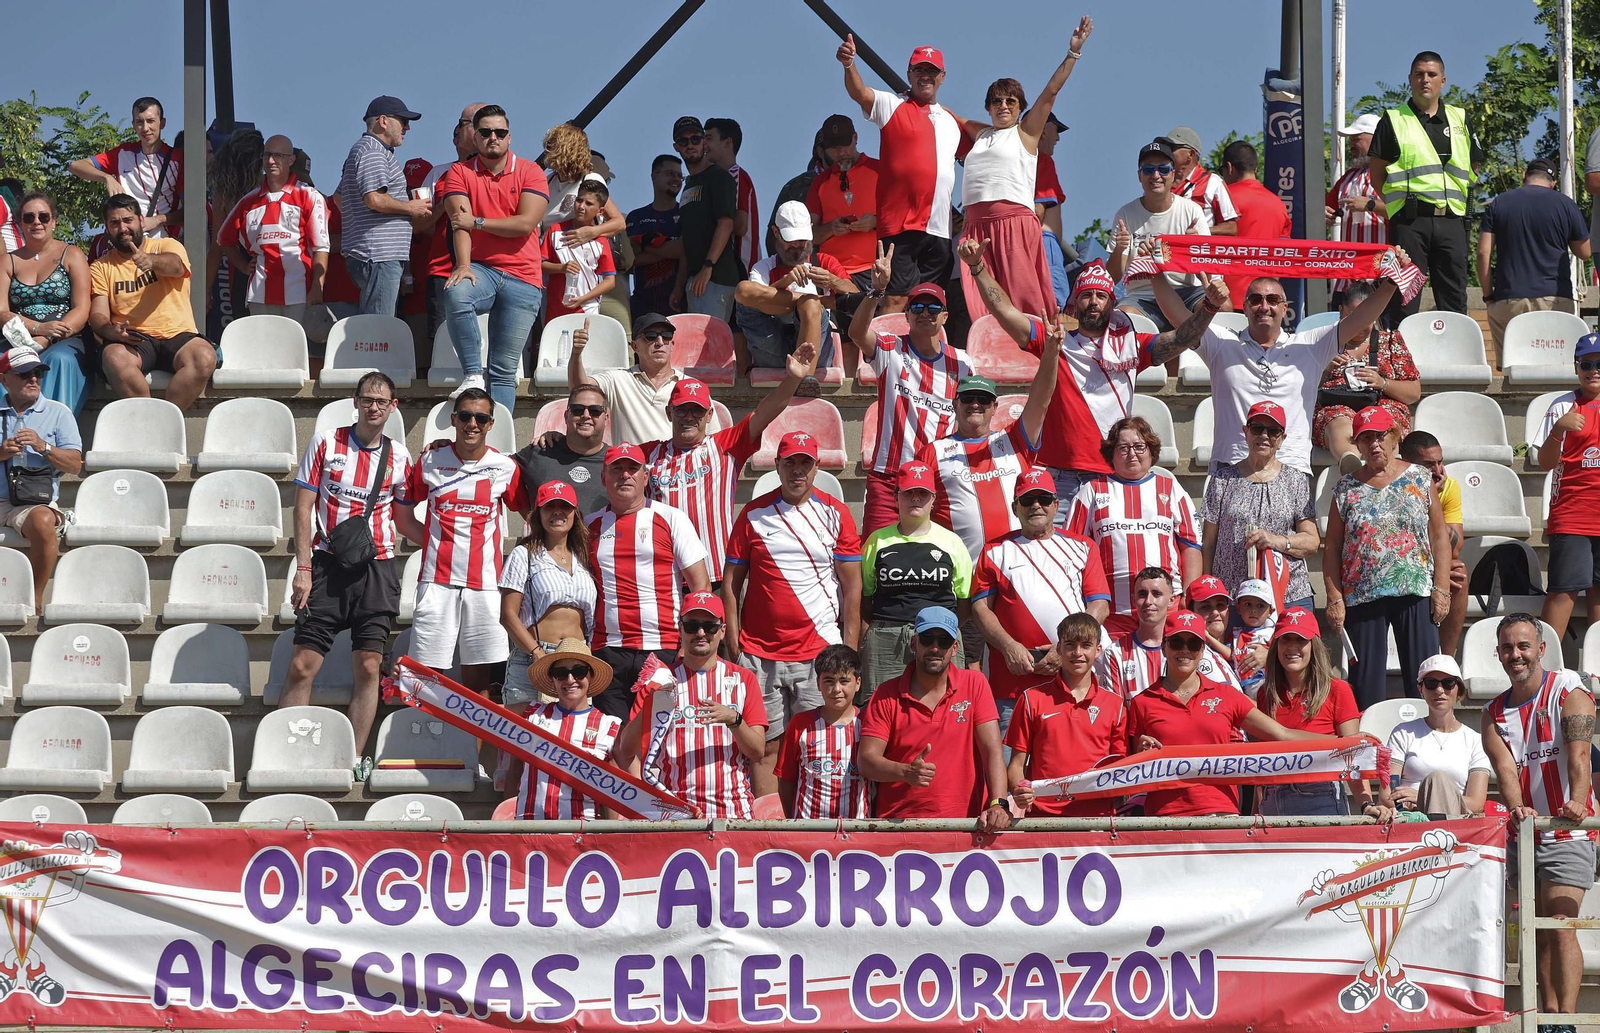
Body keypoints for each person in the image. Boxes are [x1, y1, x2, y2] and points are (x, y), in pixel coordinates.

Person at [1150, 248, 1411, 476]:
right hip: (1231, 467)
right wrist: (1155, 271)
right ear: (1244, 306)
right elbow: (1179, 320)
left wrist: (1390, 283)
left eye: (1273, 299)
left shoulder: (1309, 344)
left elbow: (1361, 318)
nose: (1264, 306)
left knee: (1293, 537)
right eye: (1256, 299)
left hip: (1290, 468)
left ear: (1285, 308)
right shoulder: (1220, 342)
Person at [286, 373, 416, 773]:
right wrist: (303, 569)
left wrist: (445, 540)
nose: (373, 407)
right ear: (355, 402)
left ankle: (353, 757)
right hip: (326, 564)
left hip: (378, 567)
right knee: (303, 663)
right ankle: (285, 748)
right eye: (366, 399)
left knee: (369, 665)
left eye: (381, 401)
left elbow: (404, 519)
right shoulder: (326, 441)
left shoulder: (401, 457)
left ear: (393, 406)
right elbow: (302, 507)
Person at [725, 430, 863, 795]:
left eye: (805, 462)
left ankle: (812, 827)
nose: (798, 470)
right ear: (778, 465)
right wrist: (733, 642)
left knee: (818, 744)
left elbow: (853, 589)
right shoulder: (753, 514)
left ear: (817, 466)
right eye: (790, 462)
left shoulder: (837, 513)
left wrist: (847, 651)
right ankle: (770, 831)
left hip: (818, 653)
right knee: (765, 747)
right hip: (758, 653)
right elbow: (730, 582)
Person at [1481, 612, 1596, 1029]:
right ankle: (1547, 1018)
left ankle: (1567, 1018)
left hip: (1568, 828)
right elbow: (1507, 772)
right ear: (1498, 654)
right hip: (1525, 832)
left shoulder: (1569, 689)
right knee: (1537, 931)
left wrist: (1579, 801)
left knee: (1561, 925)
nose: (1516, 654)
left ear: (1541, 649)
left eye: (1524, 645)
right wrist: (1516, 808)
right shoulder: (1493, 714)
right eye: (1508, 647)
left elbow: (1580, 755)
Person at [1027, 259, 1218, 505]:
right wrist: (978, 269)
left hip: (1111, 474)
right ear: (1075, 302)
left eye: (1101, 295)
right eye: (1086, 295)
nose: (1094, 301)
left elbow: (1182, 339)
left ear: (1112, 303)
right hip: (1059, 478)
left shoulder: (1132, 345)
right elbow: (1006, 316)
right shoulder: (1055, 341)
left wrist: (1210, 307)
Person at [954, 17, 1092, 319]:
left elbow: (1050, 93)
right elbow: (946, 114)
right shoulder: (980, 133)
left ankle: (1039, 358)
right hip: (974, 228)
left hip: (1014, 223)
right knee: (983, 308)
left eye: (1010, 101)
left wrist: (1073, 54)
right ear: (988, 107)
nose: (1003, 106)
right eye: (996, 101)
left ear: (1019, 107)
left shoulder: (1026, 132)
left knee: (1025, 302)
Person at [643, 350, 818, 586]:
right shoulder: (646, 455)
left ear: (709, 415)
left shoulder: (726, 445)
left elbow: (766, 410)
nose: (689, 417)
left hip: (717, 575)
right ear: (669, 413)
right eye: (681, 409)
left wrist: (793, 379)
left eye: (697, 410)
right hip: (665, 578)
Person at [1127, 609, 1319, 816]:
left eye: (1193, 644)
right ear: (1164, 647)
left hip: (1219, 813)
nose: (1185, 650)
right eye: (1176, 643)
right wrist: (1140, 754)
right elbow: (1128, 768)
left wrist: (1342, 743)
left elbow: (1281, 734)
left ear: (1202, 650)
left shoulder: (1226, 695)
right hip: (1164, 815)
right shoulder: (1142, 702)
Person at [918, 276, 1058, 559]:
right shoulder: (933, 452)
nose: (975, 405)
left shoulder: (1014, 439)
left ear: (995, 407)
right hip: (961, 572)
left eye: (983, 400)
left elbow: (1041, 400)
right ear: (955, 404)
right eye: (968, 399)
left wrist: (1051, 352)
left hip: (1015, 567)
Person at [1323, 406, 1451, 709]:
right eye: (1366, 438)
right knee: (1365, 685)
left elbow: (1439, 537)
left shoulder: (1420, 478)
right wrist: (1334, 597)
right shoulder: (1344, 489)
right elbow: (1331, 547)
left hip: (1415, 590)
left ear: (1394, 437)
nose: (1375, 445)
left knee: (1425, 678)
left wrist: (1441, 589)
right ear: (1358, 443)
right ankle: (1370, 748)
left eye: (1380, 436)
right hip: (1363, 596)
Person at [405, 388, 527, 697]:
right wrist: (434, 542)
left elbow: (530, 515)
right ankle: (429, 741)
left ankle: (476, 747)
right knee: (426, 681)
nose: (472, 423)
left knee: (480, 685)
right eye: (465, 416)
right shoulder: (430, 459)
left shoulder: (506, 467)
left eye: (481, 418)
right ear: (453, 420)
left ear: (490, 424)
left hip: (485, 586)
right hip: (436, 583)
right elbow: (402, 514)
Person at [973, 468, 1112, 722]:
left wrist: (1065, 649)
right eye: (1027, 500)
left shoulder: (1083, 546)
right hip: (1011, 684)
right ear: (1015, 508)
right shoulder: (994, 550)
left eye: (1044, 499)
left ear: (1056, 505)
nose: (1036, 506)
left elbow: (1099, 606)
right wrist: (1009, 647)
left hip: (1071, 681)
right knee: (1010, 761)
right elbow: (980, 609)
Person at [851, 243, 972, 532]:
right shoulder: (891, 348)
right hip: (890, 476)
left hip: (937, 477)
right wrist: (876, 291)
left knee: (939, 561)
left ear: (945, 317)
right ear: (907, 315)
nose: (925, 313)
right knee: (877, 560)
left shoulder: (963, 363)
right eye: (917, 306)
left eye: (934, 308)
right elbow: (856, 333)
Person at [858, 606, 1013, 831]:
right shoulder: (886, 694)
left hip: (966, 825)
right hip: (898, 826)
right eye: (927, 639)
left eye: (944, 641)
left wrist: (999, 804)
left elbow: (992, 750)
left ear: (955, 648)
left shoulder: (975, 684)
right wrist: (905, 772)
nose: (935, 648)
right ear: (914, 644)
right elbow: (866, 761)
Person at [837, 35, 962, 314]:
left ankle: (927, 358)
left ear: (942, 77)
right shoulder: (892, 105)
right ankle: (887, 357)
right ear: (909, 74)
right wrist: (849, 65)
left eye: (931, 71)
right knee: (895, 301)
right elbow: (860, 92)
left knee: (933, 306)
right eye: (919, 70)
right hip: (899, 227)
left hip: (939, 230)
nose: (925, 76)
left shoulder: (952, 122)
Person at [615, 591, 768, 819]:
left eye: (710, 626)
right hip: (674, 813)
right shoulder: (660, 680)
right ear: (680, 629)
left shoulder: (744, 679)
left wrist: (734, 720)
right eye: (691, 625)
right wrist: (650, 704)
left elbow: (757, 752)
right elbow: (626, 750)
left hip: (732, 812)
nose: (700, 633)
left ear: (722, 630)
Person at [437, 104, 549, 411]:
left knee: (503, 370)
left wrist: (479, 221)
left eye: (499, 132)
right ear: (475, 137)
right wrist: (462, 265)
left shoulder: (531, 171)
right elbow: (460, 223)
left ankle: (499, 441)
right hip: (481, 268)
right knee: (457, 293)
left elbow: (525, 224)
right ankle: (472, 373)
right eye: (485, 132)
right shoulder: (459, 171)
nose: (492, 138)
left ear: (509, 137)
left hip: (524, 276)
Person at [587, 442, 711, 719]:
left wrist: (688, 644)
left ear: (646, 476)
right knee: (615, 743)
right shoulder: (589, 525)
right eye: (617, 468)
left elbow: (700, 587)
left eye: (633, 468)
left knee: (660, 739)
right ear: (603, 477)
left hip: (663, 647)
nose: (625, 475)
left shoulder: (672, 518)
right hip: (608, 651)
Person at [1368, 51, 1483, 318]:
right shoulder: (1393, 119)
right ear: (1410, 79)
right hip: (1410, 222)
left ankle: (1456, 358)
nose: (1425, 80)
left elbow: (1473, 167)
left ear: (1443, 81)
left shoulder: (1460, 119)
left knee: (1454, 298)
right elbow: (1377, 175)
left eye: (1431, 75)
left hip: (1453, 220)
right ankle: (1402, 358)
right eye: (1419, 74)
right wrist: (1397, 203)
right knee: (1403, 298)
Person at [87, 194, 218, 412]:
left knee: (204, 357)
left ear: (140, 220)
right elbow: (98, 315)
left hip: (177, 335)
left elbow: (176, 266)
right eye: (115, 223)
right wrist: (111, 331)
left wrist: (151, 261)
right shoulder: (100, 266)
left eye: (128, 220)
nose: (123, 228)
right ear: (107, 228)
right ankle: (148, 421)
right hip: (133, 339)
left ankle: (164, 420)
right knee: (113, 358)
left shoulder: (167, 245)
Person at [859, 461, 974, 698]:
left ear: (934, 499)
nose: (915, 499)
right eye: (909, 492)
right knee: (881, 709)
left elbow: (964, 601)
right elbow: (866, 598)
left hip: (938, 638)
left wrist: (943, 631)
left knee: (947, 708)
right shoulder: (876, 541)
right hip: (886, 639)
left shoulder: (952, 542)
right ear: (896, 497)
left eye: (922, 493)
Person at [1065, 416, 1200, 612]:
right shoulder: (1092, 491)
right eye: (1123, 447)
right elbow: (1071, 549)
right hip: (1111, 611)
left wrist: (1189, 595)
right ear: (1111, 453)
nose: (1132, 454)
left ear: (1151, 451)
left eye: (1139, 446)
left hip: (1166, 610)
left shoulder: (1171, 489)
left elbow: (1191, 545)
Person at [1200, 401, 1320, 610]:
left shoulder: (1296, 480)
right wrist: (1207, 592)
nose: (1264, 436)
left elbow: (1311, 542)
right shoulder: (1221, 480)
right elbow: (1209, 543)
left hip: (1287, 593)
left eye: (1273, 431)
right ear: (1246, 432)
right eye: (1257, 428)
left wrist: (1275, 540)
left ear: (1282, 439)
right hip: (1232, 596)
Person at [1006, 612, 1128, 818]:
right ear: (1059, 648)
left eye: (1086, 645)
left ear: (1098, 650)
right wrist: (1020, 789)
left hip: (1096, 819)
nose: (1077, 653)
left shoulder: (1115, 704)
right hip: (1043, 819)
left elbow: (1120, 768)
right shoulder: (1031, 699)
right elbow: (1016, 766)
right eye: (1070, 645)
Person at [1253, 608, 1368, 816]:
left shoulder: (1337, 689)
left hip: (1319, 793)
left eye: (1300, 639)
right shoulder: (1265, 693)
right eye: (1286, 639)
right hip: (1272, 796)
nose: (1292, 647)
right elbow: (1263, 759)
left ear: (1313, 645)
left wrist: (1366, 804)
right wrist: (1255, 812)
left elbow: (1353, 756)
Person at [498, 480, 598, 713]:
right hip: (534, 656)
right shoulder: (524, 555)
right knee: (523, 735)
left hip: (577, 659)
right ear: (538, 514)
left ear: (575, 512)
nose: (557, 512)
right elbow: (508, 615)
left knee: (570, 736)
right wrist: (537, 653)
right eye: (549, 506)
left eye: (564, 506)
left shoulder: (584, 557)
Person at [1476, 158, 1591, 349]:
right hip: (1555, 299)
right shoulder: (1565, 204)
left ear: (1524, 177)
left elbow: (1482, 253)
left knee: (1512, 369)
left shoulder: (1499, 203)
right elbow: (1584, 252)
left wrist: (1489, 298)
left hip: (1509, 298)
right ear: (1553, 184)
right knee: (1556, 366)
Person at [0, 347, 82, 613]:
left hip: (31, 502)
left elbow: (74, 465)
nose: (33, 379)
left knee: (44, 521)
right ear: (4, 379)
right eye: (24, 374)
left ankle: (34, 599)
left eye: (37, 373)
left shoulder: (59, 412)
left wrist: (43, 446)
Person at [216, 134, 329, 326]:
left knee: (295, 351)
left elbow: (321, 247)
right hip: (259, 294)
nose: (270, 160)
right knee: (263, 352)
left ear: (291, 160)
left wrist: (317, 289)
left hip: (298, 292)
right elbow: (223, 239)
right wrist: (243, 266)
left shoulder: (309, 196)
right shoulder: (248, 201)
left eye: (278, 155)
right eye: (267, 154)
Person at [1312, 279, 1422, 474]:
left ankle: (1387, 469)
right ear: (1340, 311)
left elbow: (1414, 393)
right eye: (1353, 317)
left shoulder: (1390, 342)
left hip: (1382, 406)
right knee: (1337, 419)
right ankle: (1350, 464)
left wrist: (1383, 383)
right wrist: (1323, 368)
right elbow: (1299, 386)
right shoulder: (1322, 341)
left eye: (1367, 318)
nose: (1359, 326)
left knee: (1384, 419)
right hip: (1336, 407)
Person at [506, 638, 621, 820]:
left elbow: (613, 789)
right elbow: (514, 770)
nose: (570, 679)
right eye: (560, 673)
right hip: (530, 833)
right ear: (552, 678)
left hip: (583, 837)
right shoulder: (531, 714)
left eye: (579, 671)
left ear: (590, 676)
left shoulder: (608, 726)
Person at [734, 201, 854, 373]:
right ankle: (810, 303)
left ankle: (804, 377)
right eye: (790, 240)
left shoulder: (824, 263)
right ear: (776, 232)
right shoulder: (763, 268)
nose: (797, 245)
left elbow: (858, 299)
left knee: (811, 306)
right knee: (743, 291)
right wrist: (786, 284)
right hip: (774, 348)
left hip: (816, 351)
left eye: (802, 239)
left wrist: (832, 281)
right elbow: (747, 296)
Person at [1534, 332, 1600, 640]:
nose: (1593, 370)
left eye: (1599, 363)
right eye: (1586, 364)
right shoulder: (1563, 406)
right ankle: (1543, 671)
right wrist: (1559, 431)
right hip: (1572, 515)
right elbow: (1545, 463)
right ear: (1576, 368)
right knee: (1563, 592)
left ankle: (1598, 672)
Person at [339, 96, 431, 316]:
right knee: (379, 330)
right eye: (402, 120)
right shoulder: (373, 151)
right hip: (379, 256)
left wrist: (359, 226)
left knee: (376, 326)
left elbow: (338, 198)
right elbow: (374, 199)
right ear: (383, 121)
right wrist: (411, 208)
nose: (407, 127)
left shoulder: (365, 150)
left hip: (371, 254)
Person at [1106, 140, 1212, 331]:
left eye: (1163, 169)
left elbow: (1209, 274)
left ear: (1173, 174)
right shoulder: (1125, 214)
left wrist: (1192, 249)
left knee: (1219, 309)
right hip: (1142, 297)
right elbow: (1112, 277)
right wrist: (1120, 248)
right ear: (1139, 176)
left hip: (1186, 293)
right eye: (1148, 170)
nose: (1156, 176)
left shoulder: (1192, 211)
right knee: (1121, 319)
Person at [0, 193, 91, 414]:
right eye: (29, 217)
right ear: (21, 223)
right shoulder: (8, 261)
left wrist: (49, 336)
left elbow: (82, 308)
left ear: (54, 220)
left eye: (43, 216)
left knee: (57, 360)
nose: (36, 222)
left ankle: (51, 433)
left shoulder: (72, 255)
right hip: (17, 336)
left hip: (66, 337)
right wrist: (36, 329)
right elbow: (1, 311)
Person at [1095, 568, 1241, 698]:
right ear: (1133, 600)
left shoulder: (1192, 648)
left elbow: (1232, 702)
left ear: (1171, 600)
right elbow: (1116, 714)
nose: (1149, 601)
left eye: (1157, 594)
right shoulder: (1115, 653)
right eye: (1142, 594)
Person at [412, 103, 487, 340]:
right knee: (442, 343)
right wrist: (444, 202)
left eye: (464, 123)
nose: (457, 128)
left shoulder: (502, 173)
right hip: (443, 272)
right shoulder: (436, 174)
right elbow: (418, 225)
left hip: (489, 271)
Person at [1381, 655, 1489, 818]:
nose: (1439, 690)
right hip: (1409, 818)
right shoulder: (1402, 733)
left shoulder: (1475, 741)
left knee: (1437, 779)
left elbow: (1476, 801)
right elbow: (1386, 795)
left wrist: (1423, 798)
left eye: (1448, 683)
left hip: (1453, 820)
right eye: (1431, 683)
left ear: (1458, 689)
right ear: (1421, 689)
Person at [775, 644, 869, 818]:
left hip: (858, 831)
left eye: (844, 681)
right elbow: (786, 780)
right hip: (809, 830)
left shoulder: (869, 724)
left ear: (858, 683)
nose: (836, 690)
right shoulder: (801, 724)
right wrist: (794, 821)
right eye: (829, 681)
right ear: (818, 684)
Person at [69, 97, 183, 237]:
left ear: (162, 123)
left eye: (150, 121)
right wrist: (107, 178)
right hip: (125, 243)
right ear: (133, 125)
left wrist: (157, 220)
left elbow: (190, 210)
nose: (145, 128)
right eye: (139, 122)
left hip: (161, 244)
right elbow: (75, 165)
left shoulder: (177, 159)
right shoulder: (123, 153)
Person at [569, 312, 688, 445]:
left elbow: (710, 435)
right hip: (629, 464)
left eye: (666, 336)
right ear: (635, 346)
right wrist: (576, 353)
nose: (660, 342)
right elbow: (579, 390)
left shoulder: (691, 386)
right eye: (651, 336)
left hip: (675, 464)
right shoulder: (617, 380)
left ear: (672, 344)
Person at [805, 114, 879, 327]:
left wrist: (874, 222)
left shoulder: (879, 171)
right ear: (824, 149)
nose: (841, 152)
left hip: (872, 271)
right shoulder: (820, 182)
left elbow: (901, 218)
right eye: (834, 148)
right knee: (841, 343)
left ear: (856, 138)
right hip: (832, 274)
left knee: (871, 340)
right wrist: (832, 228)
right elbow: (811, 234)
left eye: (845, 145)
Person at [1399, 430, 1468, 654]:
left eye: (1440, 462)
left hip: (1427, 561)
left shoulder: (1448, 486)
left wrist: (1433, 499)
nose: (1438, 471)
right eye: (1429, 465)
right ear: (1407, 463)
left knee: (1458, 574)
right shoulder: (1394, 485)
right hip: (1398, 563)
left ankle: (1447, 658)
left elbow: (1455, 547)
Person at [669, 116, 740, 324]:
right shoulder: (689, 183)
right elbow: (687, 240)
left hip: (716, 277)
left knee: (708, 349)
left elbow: (727, 223)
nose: (690, 145)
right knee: (700, 349)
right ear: (676, 147)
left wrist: (707, 267)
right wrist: (680, 285)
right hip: (696, 280)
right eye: (683, 141)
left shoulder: (719, 177)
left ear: (704, 142)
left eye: (695, 139)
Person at [512, 384, 609, 516]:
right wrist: (530, 516)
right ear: (566, 416)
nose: (586, 415)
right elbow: (501, 471)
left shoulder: (617, 462)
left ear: (606, 418)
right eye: (577, 409)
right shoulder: (541, 450)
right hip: (546, 537)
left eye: (595, 410)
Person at [1218, 141, 1293, 308]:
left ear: (1229, 168)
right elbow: (1283, 253)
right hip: (1267, 301)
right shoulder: (1278, 204)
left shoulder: (1224, 199)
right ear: (1255, 169)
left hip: (1226, 298)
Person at [1326, 114, 1387, 307]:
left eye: (1357, 138)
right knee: (1341, 331)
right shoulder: (1347, 178)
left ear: (1375, 139)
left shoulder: (1392, 174)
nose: (1351, 144)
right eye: (1351, 140)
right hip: (1347, 274)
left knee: (1381, 331)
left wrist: (1370, 205)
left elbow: (1404, 212)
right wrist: (1325, 214)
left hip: (1381, 272)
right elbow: (1328, 207)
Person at [541, 178, 616, 320]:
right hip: (556, 309)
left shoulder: (600, 240)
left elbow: (610, 280)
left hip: (587, 308)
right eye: (579, 200)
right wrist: (562, 268)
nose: (581, 206)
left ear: (600, 211)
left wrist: (583, 299)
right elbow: (539, 264)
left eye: (589, 204)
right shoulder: (556, 230)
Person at [539, 122, 626, 237]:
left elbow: (619, 223)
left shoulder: (590, 179)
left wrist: (592, 232)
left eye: (552, 148)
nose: (547, 153)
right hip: (547, 250)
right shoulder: (546, 182)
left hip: (580, 251)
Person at [627, 155, 683, 318]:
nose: (676, 179)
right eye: (670, 174)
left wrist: (644, 244)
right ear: (654, 176)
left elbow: (683, 249)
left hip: (678, 302)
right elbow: (631, 259)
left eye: (680, 176)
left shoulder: (687, 213)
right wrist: (670, 248)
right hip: (643, 304)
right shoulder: (636, 216)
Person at [705, 118, 760, 275]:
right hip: (723, 270)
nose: (704, 145)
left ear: (727, 143)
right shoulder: (714, 179)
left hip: (741, 269)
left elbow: (741, 225)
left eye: (709, 138)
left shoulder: (736, 176)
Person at [1162, 126, 1238, 234]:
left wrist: (1201, 232)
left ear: (1191, 154)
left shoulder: (1212, 183)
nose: (1166, 152)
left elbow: (1231, 228)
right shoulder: (1161, 182)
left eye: (1172, 148)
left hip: (1199, 249)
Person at [1227, 578, 1277, 699]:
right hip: (1243, 687)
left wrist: (1269, 655)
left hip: (1267, 684)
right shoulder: (1235, 634)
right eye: (1248, 604)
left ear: (1270, 611)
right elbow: (1229, 654)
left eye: (1260, 605)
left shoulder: (1274, 634)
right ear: (1238, 608)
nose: (1254, 610)